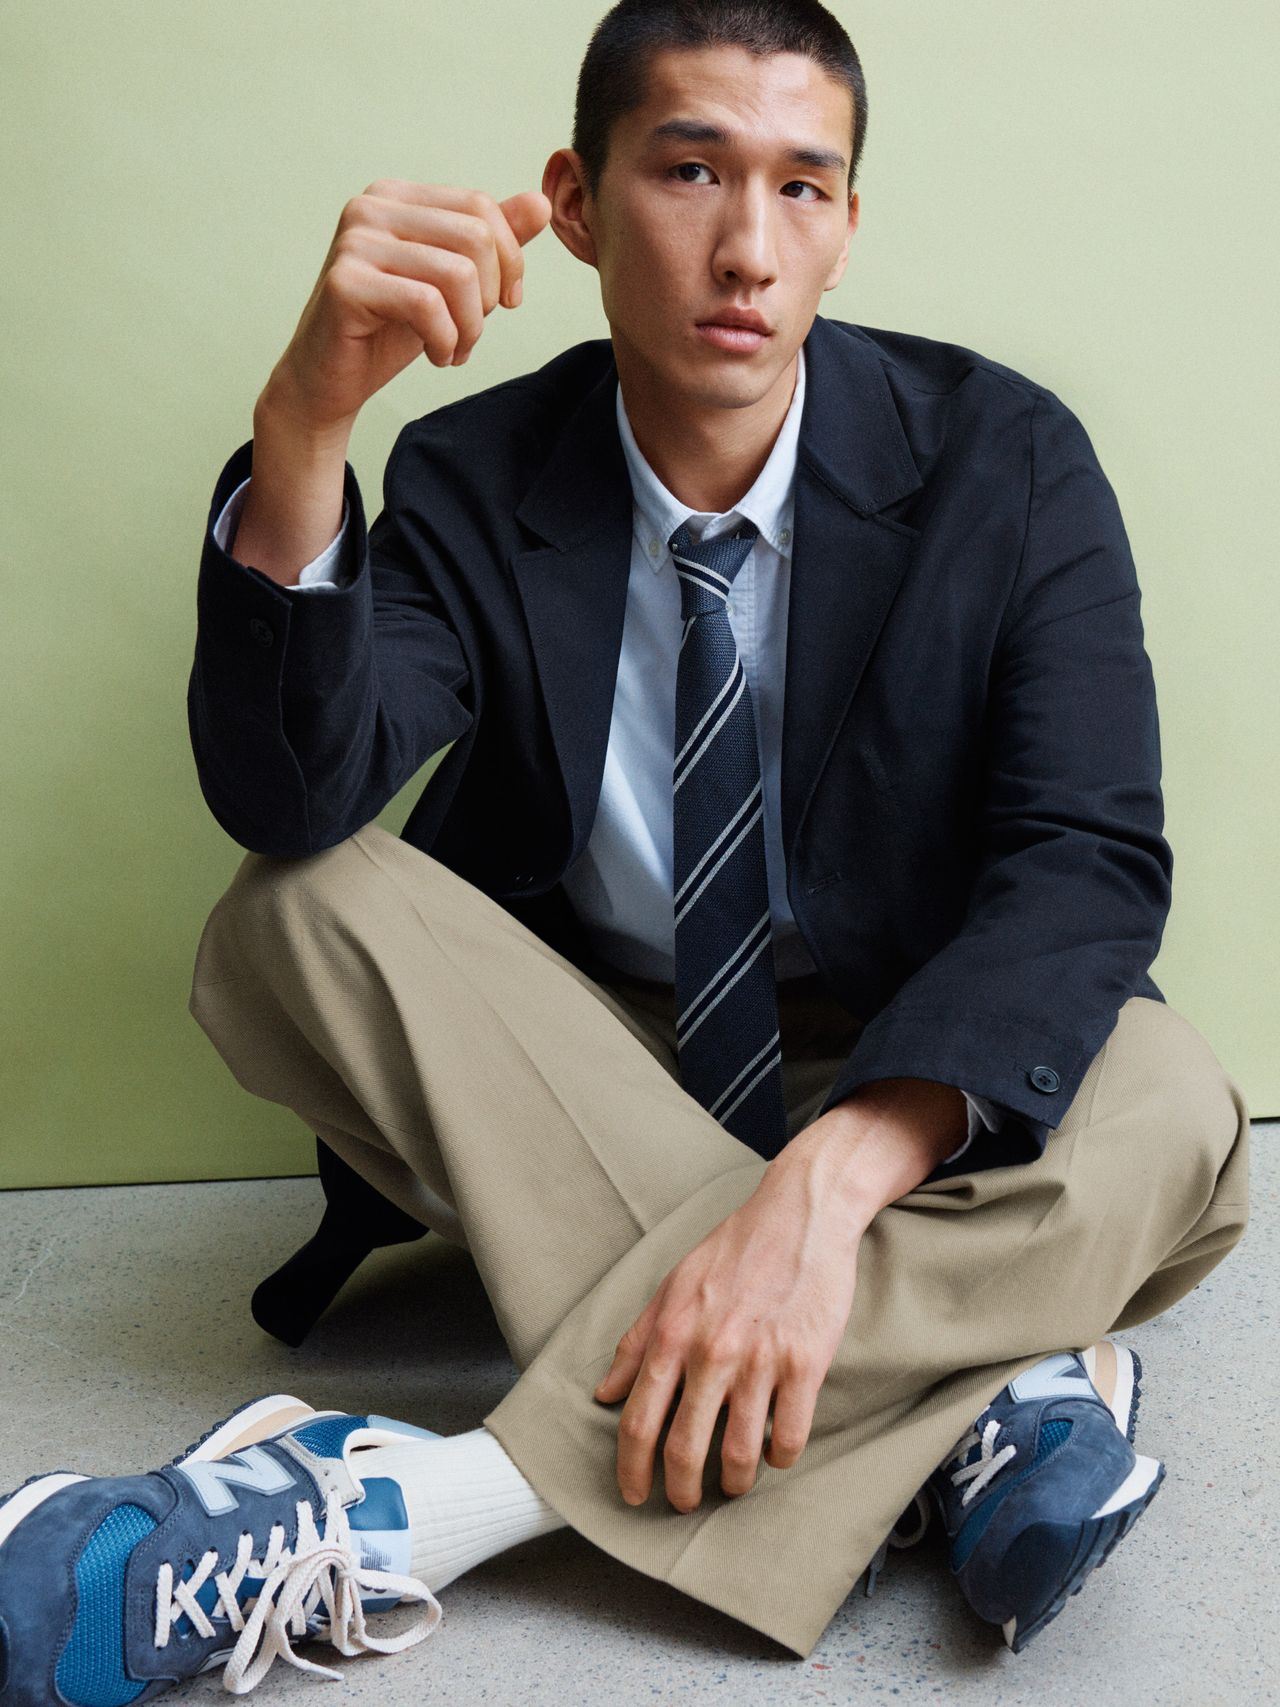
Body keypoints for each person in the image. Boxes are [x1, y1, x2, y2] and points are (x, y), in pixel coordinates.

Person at [0, 0, 1251, 1698]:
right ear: (578, 205)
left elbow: (1085, 862)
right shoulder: (473, 469)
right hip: (584, 1068)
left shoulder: (1006, 458)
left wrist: (829, 1185)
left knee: (1172, 1099)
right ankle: (972, 1384)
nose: (749, 248)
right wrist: (304, 423)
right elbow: (295, 796)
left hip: (902, 1066)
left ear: (850, 227)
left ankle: (402, 1507)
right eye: (689, 172)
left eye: (803, 187)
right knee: (287, 913)